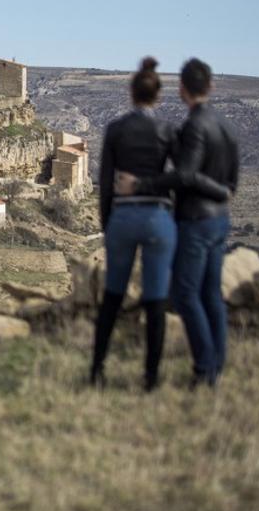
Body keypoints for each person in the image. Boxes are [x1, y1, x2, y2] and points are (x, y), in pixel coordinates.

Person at [92, 57, 231, 391]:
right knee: (155, 302)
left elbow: (105, 180)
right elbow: (182, 176)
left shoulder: (115, 129)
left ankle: (96, 370)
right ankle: (151, 379)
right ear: (158, 96)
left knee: (112, 297)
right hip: (158, 220)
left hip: (124, 217)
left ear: (131, 93)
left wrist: (108, 223)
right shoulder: (168, 130)